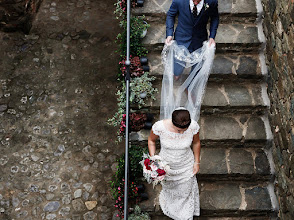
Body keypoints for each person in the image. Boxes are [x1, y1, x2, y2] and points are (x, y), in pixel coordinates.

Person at [148, 107, 201, 219]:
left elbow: (196, 143)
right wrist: (154, 159)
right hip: (167, 166)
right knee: (170, 189)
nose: (181, 132)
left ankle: (185, 214)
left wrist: (197, 162)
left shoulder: (193, 126)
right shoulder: (159, 127)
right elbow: (151, 141)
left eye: (184, 130)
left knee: (185, 191)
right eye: (178, 130)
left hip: (186, 165)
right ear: (172, 123)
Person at [165, 0, 219, 79]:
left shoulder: (212, 2)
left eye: (199, 1)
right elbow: (170, 15)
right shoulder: (179, 1)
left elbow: (214, 17)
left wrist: (212, 37)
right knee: (178, 63)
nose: (196, 3)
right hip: (182, 36)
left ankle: (190, 86)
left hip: (200, 37)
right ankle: (177, 73)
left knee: (197, 65)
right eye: (194, 0)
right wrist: (169, 34)